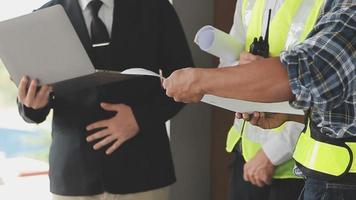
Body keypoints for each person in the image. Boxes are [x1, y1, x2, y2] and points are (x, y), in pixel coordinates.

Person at [163, 0, 355, 199]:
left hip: (318, 175)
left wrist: (198, 79)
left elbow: (301, 76)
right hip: (252, 154)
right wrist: (291, 113)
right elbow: (339, 106)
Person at [17, 0, 193, 199]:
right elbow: (31, 107)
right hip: (74, 176)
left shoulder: (156, 8)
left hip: (144, 170)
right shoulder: (43, 17)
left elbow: (188, 84)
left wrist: (139, 118)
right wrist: (33, 104)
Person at [217, 0, 325, 199]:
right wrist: (242, 68)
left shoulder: (325, 4)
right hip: (245, 156)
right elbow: (225, 64)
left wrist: (271, 154)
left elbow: (322, 91)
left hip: (295, 167)